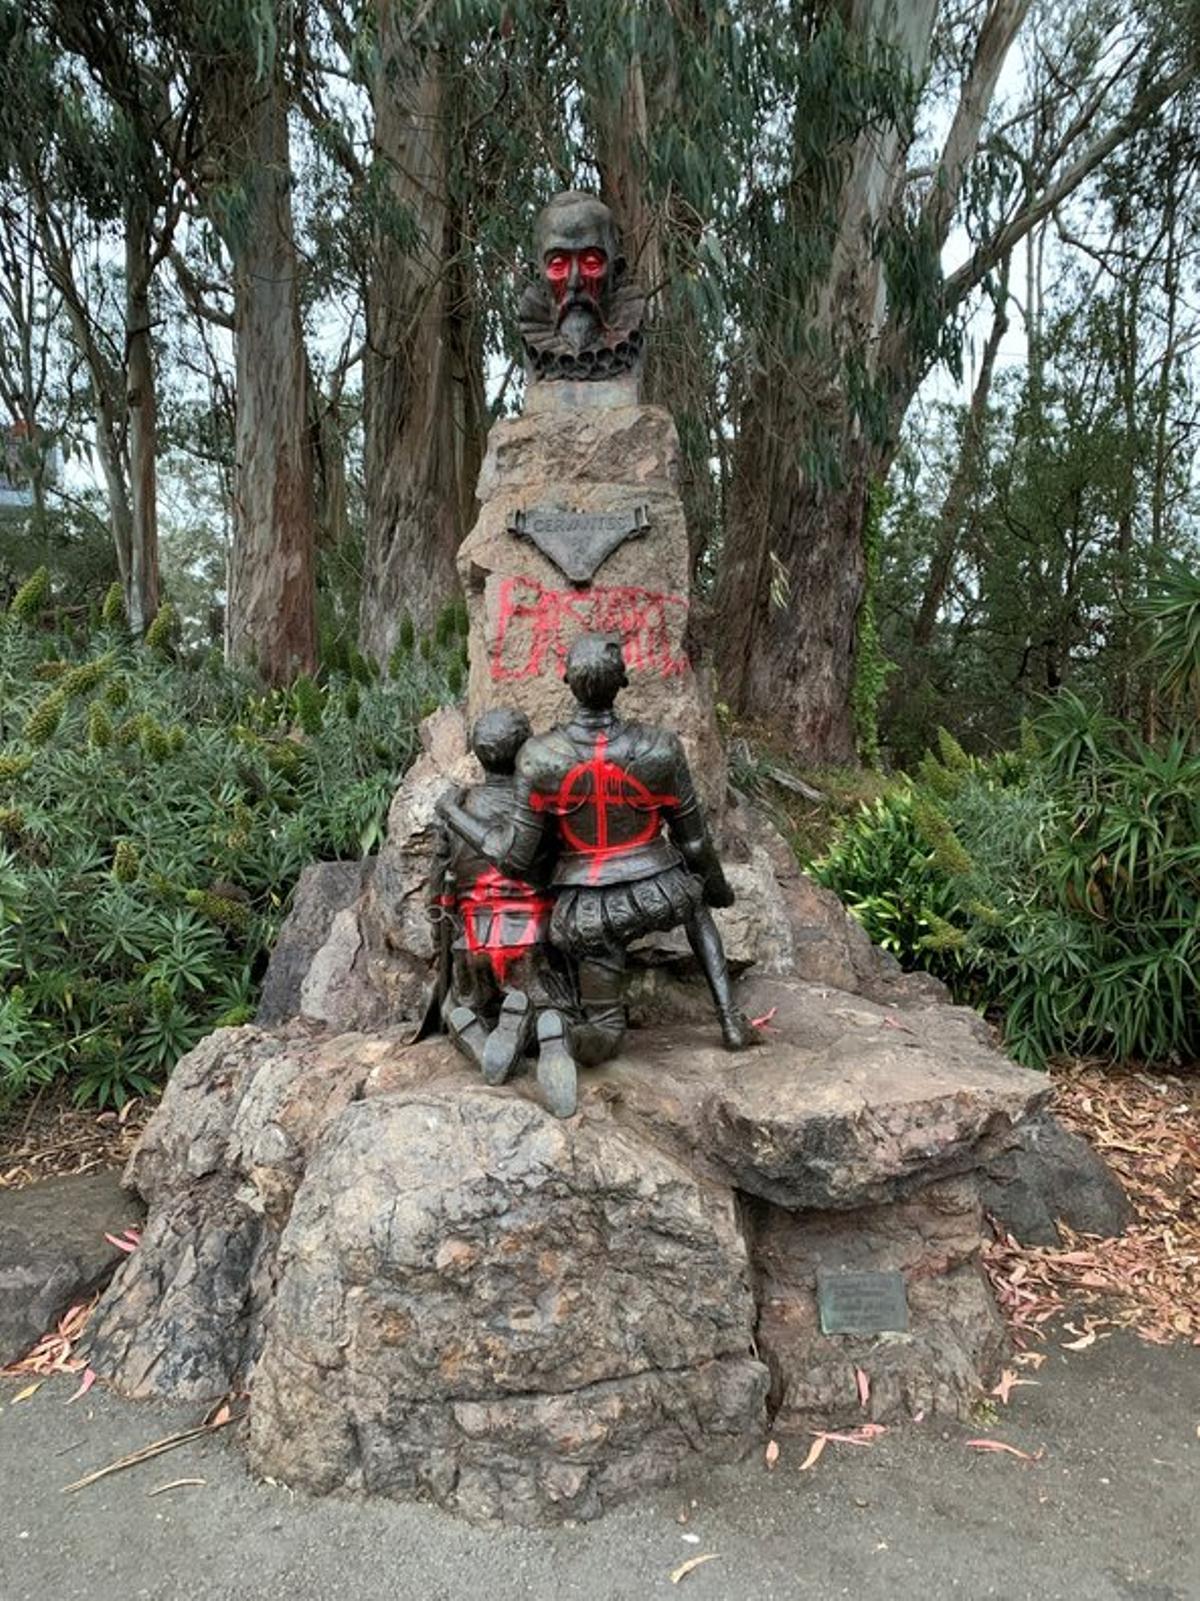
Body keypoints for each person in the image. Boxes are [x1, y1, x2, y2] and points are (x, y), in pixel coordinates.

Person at [436, 635, 758, 1115]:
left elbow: (515, 857)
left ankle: (555, 1028)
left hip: (589, 910)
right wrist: (715, 887)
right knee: (698, 907)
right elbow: (693, 842)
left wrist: (452, 811)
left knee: (605, 1031)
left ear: (566, 682)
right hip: (660, 888)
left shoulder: (540, 757)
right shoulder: (660, 747)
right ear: (623, 682)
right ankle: (730, 1019)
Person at [429, 708, 572, 1105]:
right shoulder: (540, 806)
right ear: (525, 748)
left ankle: (474, 1030)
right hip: (533, 934)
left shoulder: (456, 808)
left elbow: (438, 885)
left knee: (456, 1005)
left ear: (476, 753)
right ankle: (545, 1024)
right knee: (556, 1003)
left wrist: (437, 927)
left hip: (473, 938)